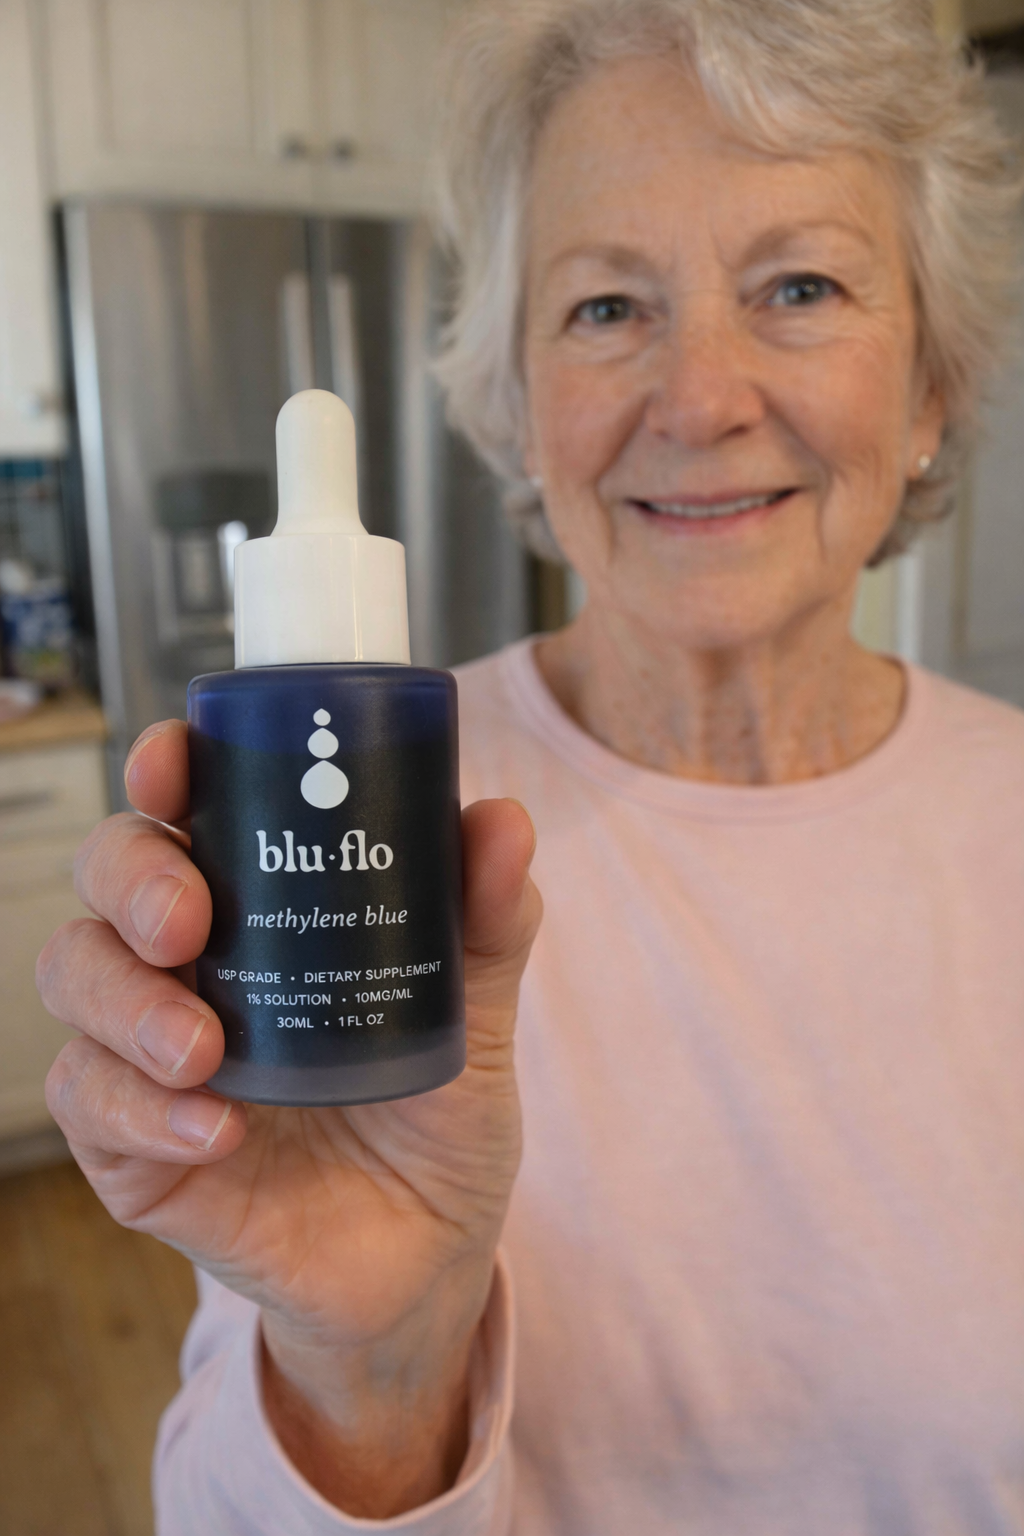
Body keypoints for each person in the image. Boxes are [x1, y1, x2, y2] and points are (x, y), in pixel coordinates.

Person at [36, 1, 1024, 1531]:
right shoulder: (374, 838)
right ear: (515, 397)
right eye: (607, 309)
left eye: (803, 285)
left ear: (932, 386)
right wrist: (364, 1368)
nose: (699, 398)